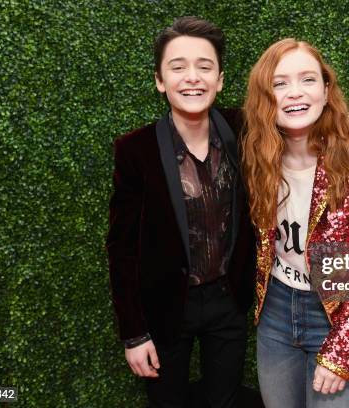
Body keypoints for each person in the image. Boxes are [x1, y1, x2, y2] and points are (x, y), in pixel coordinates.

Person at [241, 38, 349, 407]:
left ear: (327, 90)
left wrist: (343, 350)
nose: (295, 93)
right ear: (265, 97)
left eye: (308, 80)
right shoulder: (257, 149)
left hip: (337, 314)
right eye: (279, 84)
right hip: (276, 313)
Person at [105, 16, 256, 408]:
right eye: (178, 67)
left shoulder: (243, 129)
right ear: (159, 80)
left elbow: (300, 124)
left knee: (224, 401)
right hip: (167, 307)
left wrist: (348, 127)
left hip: (228, 302)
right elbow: (121, 248)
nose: (193, 77)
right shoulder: (135, 150)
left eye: (204, 67)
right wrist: (134, 334)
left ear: (220, 79)